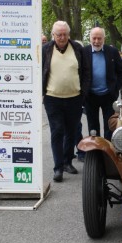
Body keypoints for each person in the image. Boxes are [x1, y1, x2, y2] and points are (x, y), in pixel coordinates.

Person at [42, 21, 90, 183]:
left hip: (74, 98)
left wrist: (83, 93)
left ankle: (68, 162)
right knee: (57, 131)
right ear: (53, 35)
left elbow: (86, 71)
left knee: (71, 131)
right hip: (52, 98)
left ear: (69, 34)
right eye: (59, 34)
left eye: (65, 34)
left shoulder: (78, 49)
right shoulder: (46, 49)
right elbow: (40, 71)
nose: (62, 37)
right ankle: (58, 168)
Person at [82, 27, 122, 141]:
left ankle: (108, 148)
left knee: (109, 125)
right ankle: (95, 149)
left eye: (99, 38)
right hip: (90, 96)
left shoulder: (112, 52)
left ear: (104, 39)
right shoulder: (84, 52)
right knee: (93, 126)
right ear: (90, 38)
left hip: (108, 95)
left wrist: (116, 88)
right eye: (94, 38)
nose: (96, 41)